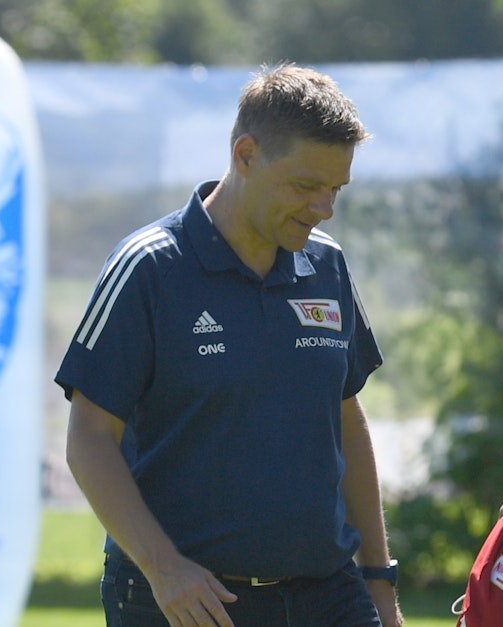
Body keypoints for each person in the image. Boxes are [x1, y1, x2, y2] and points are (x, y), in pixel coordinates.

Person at [58, 63, 403, 627]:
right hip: (191, 601)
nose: (324, 208)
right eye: (306, 185)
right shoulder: (148, 268)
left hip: (330, 596)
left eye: (335, 188)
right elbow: (90, 440)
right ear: (245, 154)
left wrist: (378, 581)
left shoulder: (327, 265)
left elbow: (346, 423)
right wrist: (164, 568)